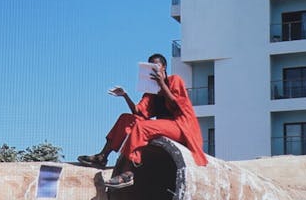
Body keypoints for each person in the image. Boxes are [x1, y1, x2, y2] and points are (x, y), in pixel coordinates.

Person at [77, 53, 208, 189]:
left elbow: (175, 105)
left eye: (156, 65)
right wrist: (125, 95)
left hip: (181, 126)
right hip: (164, 125)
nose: (153, 68)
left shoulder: (174, 80)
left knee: (142, 127)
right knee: (126, 118)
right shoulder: (151, 90)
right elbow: (139, 112)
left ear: (164, 67)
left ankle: (128, 172)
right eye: (150, 65)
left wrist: (162, 84)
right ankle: (102, 157)